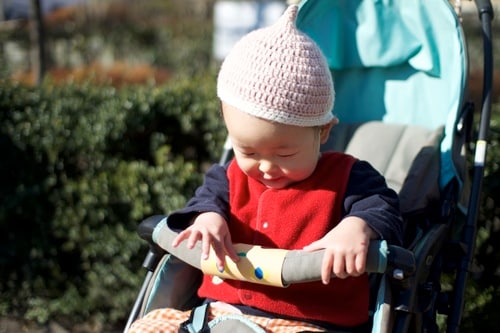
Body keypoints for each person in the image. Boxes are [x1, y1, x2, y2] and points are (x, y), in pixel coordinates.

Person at [128, 5, 403, 333]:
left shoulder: (349, 178)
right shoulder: (229, 177)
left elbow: (384, 208)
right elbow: (205, 201)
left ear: (323, 132)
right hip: (219, 314)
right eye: (249, 150)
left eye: (285, 153)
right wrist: (208, 219)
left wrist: (357, 227)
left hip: (310, 321)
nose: (267, 166)